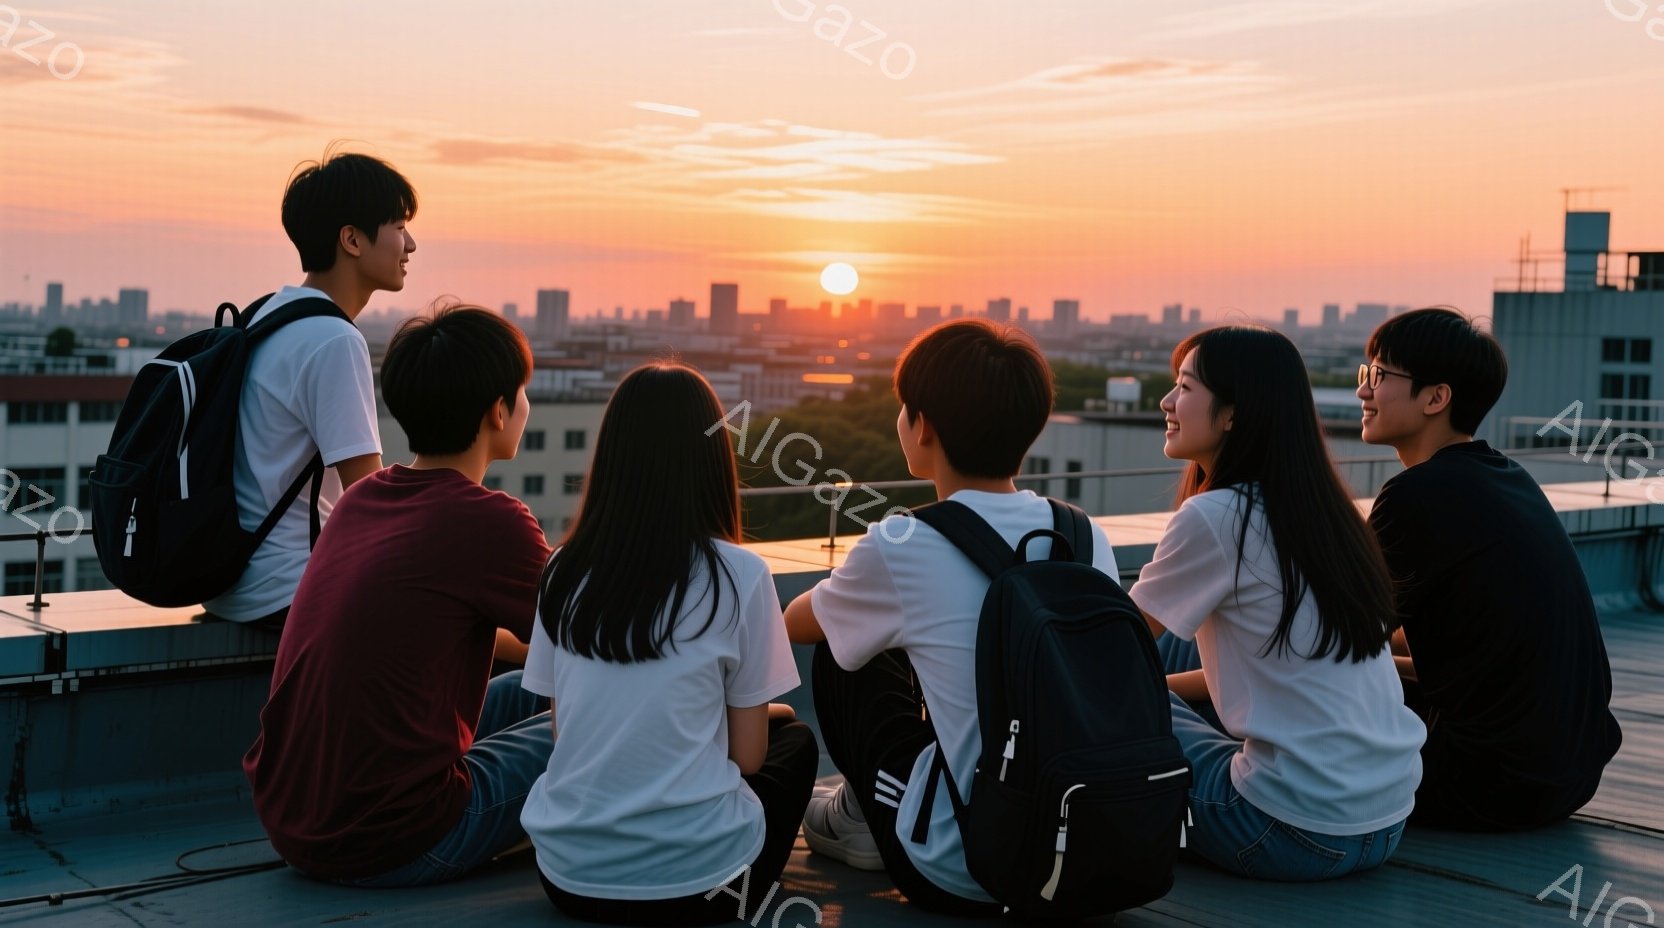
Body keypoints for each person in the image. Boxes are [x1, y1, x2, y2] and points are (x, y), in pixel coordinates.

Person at [783, 319, 1120, 915]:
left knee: (846, 648)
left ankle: (860, 817)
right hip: (1089, 848)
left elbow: (797, 622)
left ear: (924, 426)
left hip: (965, 865)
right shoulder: (1083, 534)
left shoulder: (903, 542)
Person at [244, 306, 552, 885]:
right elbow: (598, 643)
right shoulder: (492, 522)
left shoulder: (360, 500)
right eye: (524, 391)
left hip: (292, 820)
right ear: (497, 410)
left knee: (527, 695)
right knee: (609, 729)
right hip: (399, 837)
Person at [521, 363, 818, 926]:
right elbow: (748, 756)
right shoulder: (742, 575)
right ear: (710, 461)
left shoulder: (563, 569)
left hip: (568, 879)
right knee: (795, 742)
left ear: (611, 458)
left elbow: (564, 730)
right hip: (701, 887)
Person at [1128, 325, 1425, 881]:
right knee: (1170, 652)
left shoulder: (1214, 517)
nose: (1167, 401)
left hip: (1282, 830)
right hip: (1385, 823)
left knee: (1106, 693)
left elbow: (1109, 648)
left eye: (1185, 387)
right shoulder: (1328, 515)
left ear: (1234, 413)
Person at [1358, 307, 1622, 830]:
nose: (1364, 390)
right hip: (1567, 776)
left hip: (1484, 785)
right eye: (1367, 373)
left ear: (1437, 397)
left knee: (1268, 724)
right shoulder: (1506, 476)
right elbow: (1455, 653)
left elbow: (1328, 646)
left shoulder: (1418, 495)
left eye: (1380, 375)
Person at [203, 151, 417, 627]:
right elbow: (366, 496)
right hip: (289, 591)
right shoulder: (333, 339)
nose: (412, 244)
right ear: (352, 240)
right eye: (400, 227)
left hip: (229, 584)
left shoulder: (267, 314)